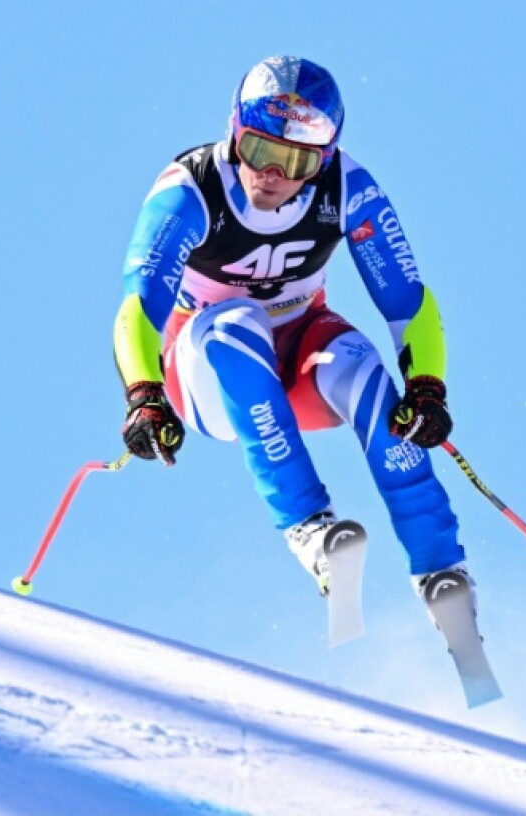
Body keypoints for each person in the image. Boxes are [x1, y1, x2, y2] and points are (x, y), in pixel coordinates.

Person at [111, 56, 481, 641]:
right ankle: (309, 527)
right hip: (208, 366)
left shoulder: (347, 191)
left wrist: (428, 388)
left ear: (325, 158)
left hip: (300, 350)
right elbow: (138, 308)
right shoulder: (191, 191)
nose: (275, 175)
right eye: (261, 151)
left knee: (362, 370)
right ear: (235, 132)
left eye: (299, 161)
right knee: (235, 322)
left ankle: (443, 572)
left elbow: (409, 302)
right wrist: (144, 397)